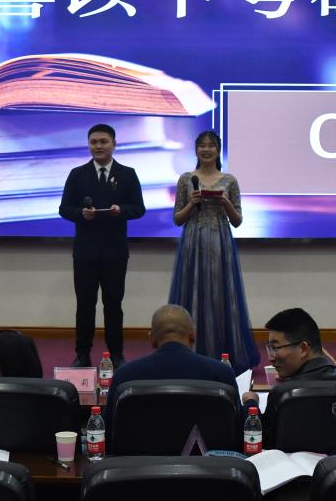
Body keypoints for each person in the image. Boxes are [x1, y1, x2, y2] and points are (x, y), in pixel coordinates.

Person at [168, 130, 259, 375]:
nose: (206, 150)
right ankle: (190, 352)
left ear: (218, 151)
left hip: (220, 242)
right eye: (202, 146)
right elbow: (177, 219)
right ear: (196, 150)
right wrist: (192, 203)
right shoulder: (186, 179)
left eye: (211, 146)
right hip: (193, 241)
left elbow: (237, 221)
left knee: (219, 294)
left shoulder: (229, 180)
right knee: (192, 290)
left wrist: (225, 202)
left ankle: (223, 353)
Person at [59, 123, 146, 368]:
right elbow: (64, 209)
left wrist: (121, 210)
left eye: (103, 141)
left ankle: (116, 354)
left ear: (114, 144)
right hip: (85, 252)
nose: (98, 146)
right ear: (88, 145)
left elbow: (139, 209)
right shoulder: (77, 174)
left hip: (115, 252)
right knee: (85, 305)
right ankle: (82, 354)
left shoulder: (127, 174)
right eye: (94, 142)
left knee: (113, 305)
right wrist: (81, 214)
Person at [106, 304, 236, 426]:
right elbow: (239, 431)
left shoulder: (124, 376)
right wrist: (247, 402)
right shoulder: (221, 374)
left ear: (152, 339)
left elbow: (107, 432)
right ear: (193, 335)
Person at [241, 307, 336, 406]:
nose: (270, 358)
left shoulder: (283, 393)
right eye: (270, 348)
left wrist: (251, 402)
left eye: (275, 348)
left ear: (303, 349)